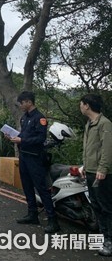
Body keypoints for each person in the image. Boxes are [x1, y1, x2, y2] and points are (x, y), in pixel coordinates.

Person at [8, 91, 60, 233]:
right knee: (27, 186)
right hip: (24, 156)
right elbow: (24, 135)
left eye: (22, 103)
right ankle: (32, 214)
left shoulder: (40, 118)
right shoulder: (24, 118)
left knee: (41, 188)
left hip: (35, 158)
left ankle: (52, 220)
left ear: (29, 102)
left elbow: (40, 138)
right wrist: (14, 137)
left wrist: (22, 140)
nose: (21, 105)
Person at [79, 93, 112, 257]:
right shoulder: (90, 123)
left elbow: (107, 149)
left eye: (81, 104)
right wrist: (85, 166)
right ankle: (104, 236)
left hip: (101, 173)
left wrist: (103, 168)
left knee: (106, 207)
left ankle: (110, 241)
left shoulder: (104, 124)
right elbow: (90, 149)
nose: (80, 107)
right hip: (91, 171)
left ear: (87, 105)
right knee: (97, 205)